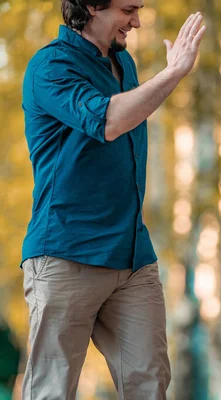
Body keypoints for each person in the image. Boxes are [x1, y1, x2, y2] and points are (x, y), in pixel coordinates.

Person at [20, 1, 206, 398]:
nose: (136, 21)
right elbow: (107, 121)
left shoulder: (125, 65)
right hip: (66, 253)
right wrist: (173, 73)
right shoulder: (50, 67)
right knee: (52, 390)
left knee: (149, 384)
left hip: (133, 258)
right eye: (127, 9)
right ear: (91, 6)